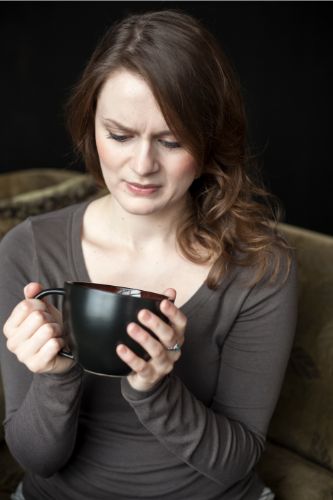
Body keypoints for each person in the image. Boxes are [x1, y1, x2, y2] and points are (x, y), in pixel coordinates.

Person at [0, 9, 297, 500]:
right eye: (119, 136)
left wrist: (156, 388)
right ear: (89, 128)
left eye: (172, 140)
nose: (142, 166)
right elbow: (37, 460)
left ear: (209, 143)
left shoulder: (262, 268)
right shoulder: (27, 251)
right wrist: (55, 376)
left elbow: (236, 461)